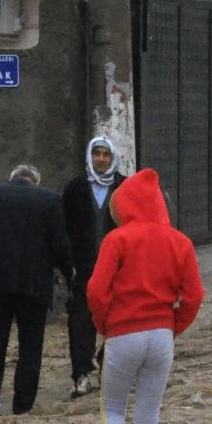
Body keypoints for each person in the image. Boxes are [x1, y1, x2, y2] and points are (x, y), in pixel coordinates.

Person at [88, 169, 204, 424]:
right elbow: (195, 295)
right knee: (148, 418)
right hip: (162, 336)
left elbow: (95, 290)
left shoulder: (118, 239)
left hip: (124, 333)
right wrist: (173, 328)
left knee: (111, 409)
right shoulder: (180, 242)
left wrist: (105, 325)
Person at [0, 163, 72, 417]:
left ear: (11, 178)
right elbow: (60, 243)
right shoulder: (50, 199)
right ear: (36, 181)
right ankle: (23, 404)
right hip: (34, 283)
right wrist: (68, 271)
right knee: (30, 345)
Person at [62, 135, 126, 399]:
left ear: (113, 158)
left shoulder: (124, 188)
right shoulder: (75, 187)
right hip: (84, 267)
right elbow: (64, 227)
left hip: (119, 268)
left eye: (105, 155)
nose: (100, 159)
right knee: (81, 320)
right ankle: (81, 373)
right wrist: (67, 264)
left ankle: (106, 366)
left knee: (118, 320)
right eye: (96, 154)